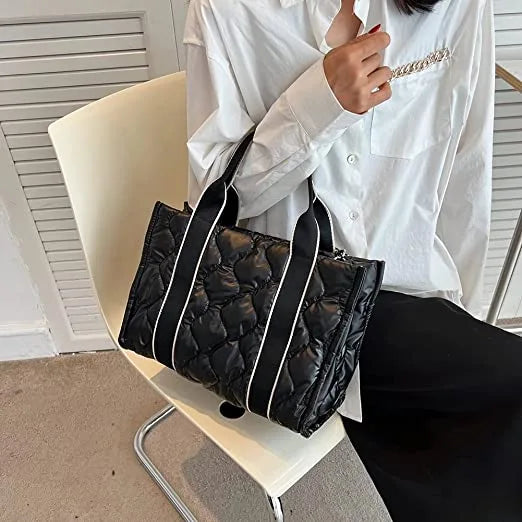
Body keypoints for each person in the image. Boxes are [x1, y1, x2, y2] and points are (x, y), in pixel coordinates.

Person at [183, 0, 522, 519]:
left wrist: (461, 318)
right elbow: (214, 196)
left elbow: (465, 167)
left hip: (407, 283)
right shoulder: (226, 10)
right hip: (280, 299)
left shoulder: (457, 5)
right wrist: (317, 106)